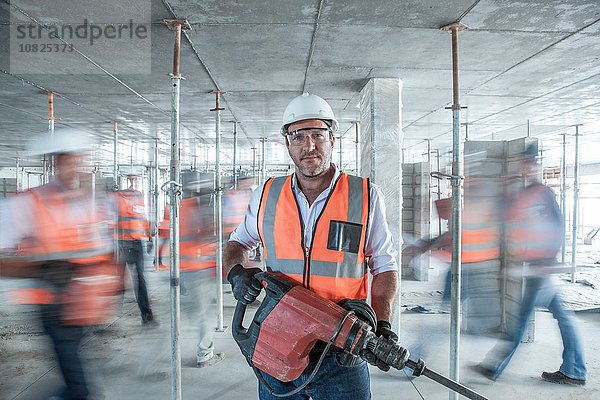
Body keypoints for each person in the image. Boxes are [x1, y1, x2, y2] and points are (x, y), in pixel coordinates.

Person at [223, 93, 399, 400]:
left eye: (318, 135)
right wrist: (237, 272)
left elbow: (384, 266)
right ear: (287, 144)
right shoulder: (267, 194)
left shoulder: (364, 195)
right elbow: (237, 242)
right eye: (298, 137)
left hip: (342, 350)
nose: (309, 146)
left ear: (332, 140)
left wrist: (383, 324)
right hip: (278, 342)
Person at [0, 128, 120, 400]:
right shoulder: (29, 202)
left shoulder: (89, 204)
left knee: (73, 377)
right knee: (81, 389)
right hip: (53, 306)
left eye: (82, 161)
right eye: (71, 161)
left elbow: (100, 250)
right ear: (57, 164)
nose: (78, 169)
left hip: (84, 306)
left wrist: (110, 282)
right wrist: (41, 269)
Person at [476, 143, 587, 385]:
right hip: (533, 265)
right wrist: (505, 189)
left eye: (529, 162)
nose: (524, 166)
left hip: (541, 266)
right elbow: (506, 217)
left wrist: (549, 260)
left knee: (522, 318)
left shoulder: (544, 193)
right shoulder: (523, 195)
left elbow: (558, 228)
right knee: (562, 316)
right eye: (522, 161)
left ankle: (495, 366)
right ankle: (575, 369)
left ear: (536, 165)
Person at [159, 176, 225, 368]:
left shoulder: (175, 208)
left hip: (179, 269)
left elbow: (165, 236)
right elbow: (205, 234)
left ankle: (151, 359)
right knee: (205, 314)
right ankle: (205, 354)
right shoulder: (198, 210)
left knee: (179, 315)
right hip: (197, 270)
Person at [114, 174, 154, 324]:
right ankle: (113, 309)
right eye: (132, 179)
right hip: (124, 243)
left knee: (138, 278)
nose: (134, 182)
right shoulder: (120, 196)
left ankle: (146, 313)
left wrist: (149, 237)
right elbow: (115, 219)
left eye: (135, 179)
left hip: (135, 241)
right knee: (122, 279)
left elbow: (142, 218)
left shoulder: (138, 196)